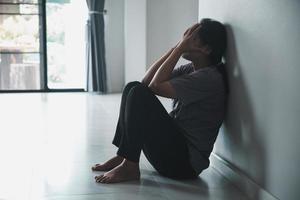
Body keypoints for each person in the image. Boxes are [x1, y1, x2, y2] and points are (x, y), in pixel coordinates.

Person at [92, 18, 228, 184]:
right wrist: (176, 48)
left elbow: (156, 86)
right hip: (174, 150)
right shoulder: (191, 69)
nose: (184, 40)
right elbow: (146, 82)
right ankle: (123, 156)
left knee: (139, 94)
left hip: (184, 164)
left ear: (206, 49)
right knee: (132, 87)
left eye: (191, 39)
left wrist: (179, 50)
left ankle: (130, 166)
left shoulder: (209, 78)